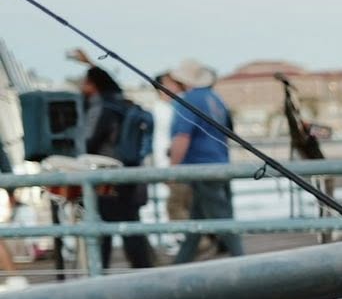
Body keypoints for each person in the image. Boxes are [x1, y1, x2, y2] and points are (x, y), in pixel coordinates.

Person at [162, 59, 244, 263]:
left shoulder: (188, 100)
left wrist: (172, 170)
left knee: (223, 219)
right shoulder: (215, 98)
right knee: (198, 218)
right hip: (221, 163)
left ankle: (243, 262)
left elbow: (182, 137)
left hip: (201, 168)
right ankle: (181, 262)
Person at [77, 65, 155, 269]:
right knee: (131, 227)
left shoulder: (100, 108)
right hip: (130, 172)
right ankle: (144, 271)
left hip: (107, 174)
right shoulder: (124, 103)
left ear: (93, 85)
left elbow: (88, 142)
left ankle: (99, 272)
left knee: (102, 228)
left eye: (85, 83)